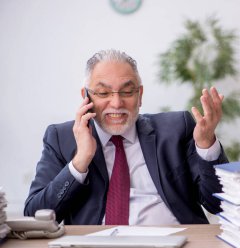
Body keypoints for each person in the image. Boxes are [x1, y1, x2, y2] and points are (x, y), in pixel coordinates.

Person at [24, 49, 229, 225]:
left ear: (139, 95)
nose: (116, 103)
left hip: (177, 243)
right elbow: (36, 215)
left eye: (127, 92)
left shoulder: (177, 128)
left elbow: (219, 204)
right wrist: (80, 161)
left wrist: (206, 144)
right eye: (103, 93)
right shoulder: (61, 138)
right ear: (85, 96)